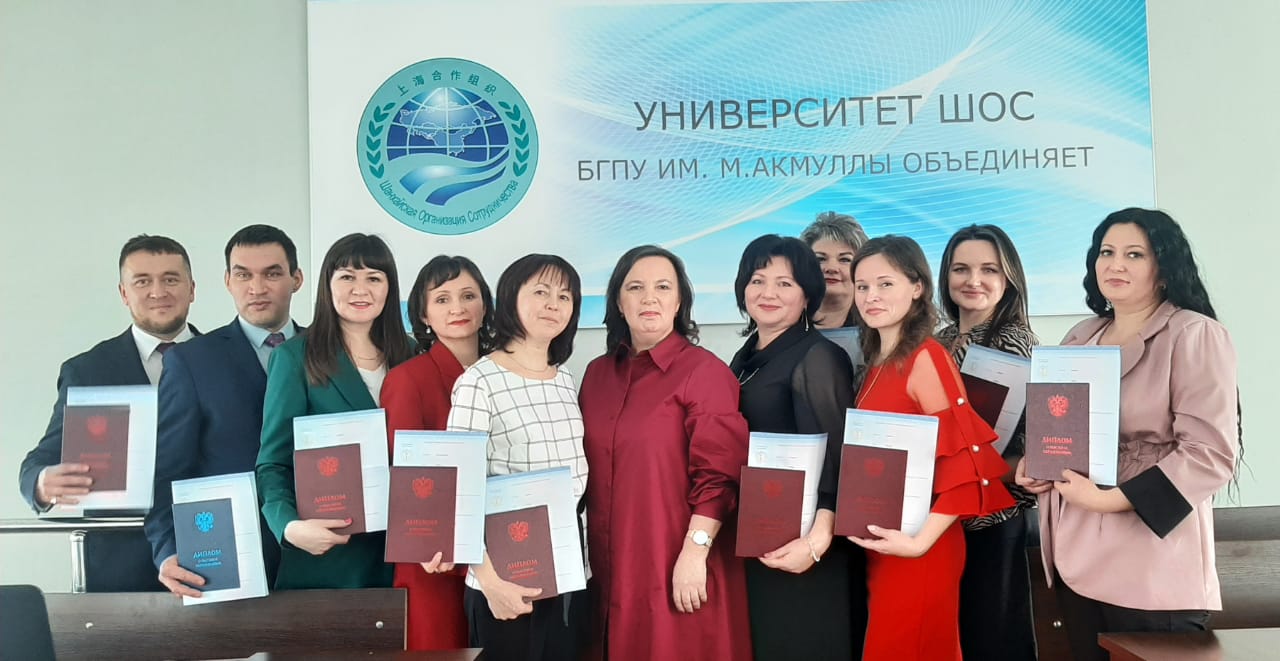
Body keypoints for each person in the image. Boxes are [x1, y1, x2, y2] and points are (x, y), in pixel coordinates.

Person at [1015, 208, 1239, 661]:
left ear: (1164, 267)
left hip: (1153, 559)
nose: (1115, 264)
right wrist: (1036, 464)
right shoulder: (1082, 336)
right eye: (1107, 252)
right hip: (1077, 553)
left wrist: (1108, 500)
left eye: (1134, 254)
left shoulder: (1194, 334)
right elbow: (1060, 427)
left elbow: (1209, 454)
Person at [580, 245, 751, 660]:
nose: (649, 298)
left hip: (678, 561)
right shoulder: (597, 374)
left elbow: (720, 476)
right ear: (618, 302)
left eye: (662, 287)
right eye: (635, 288)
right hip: (609, 567)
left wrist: (694, 552)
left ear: (679, 302)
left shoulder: (704, 372)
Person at [847, 235, 1013, 661]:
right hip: (887, 544)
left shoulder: (926, 357)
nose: (871, 296)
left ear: (917, 287)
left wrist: (921, 542)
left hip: (921, 549)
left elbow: (967, 462)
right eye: (862, 286)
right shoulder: (876, 362)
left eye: (885, 284)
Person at [18, 234, 198, 592]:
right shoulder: (88, 370)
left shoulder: (224, 360)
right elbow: (42, 459)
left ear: (192, 289)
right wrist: (41, 483)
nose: (158, 292)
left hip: (208, 548)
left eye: (170, 279)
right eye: (142, 281)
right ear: (123, 293)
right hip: (119, 564)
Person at [145, 225, 303, 597]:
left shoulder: (328, 353)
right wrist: (167, 551)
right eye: (243, 275)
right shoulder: (192, 361)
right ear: (227, 281)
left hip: (326, 556)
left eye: (272, 274)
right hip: (228, 562)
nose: (257, 288)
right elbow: (166, 470)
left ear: (296, 279)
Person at [727, 234, 865, 661]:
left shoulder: (818, 356)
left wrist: (816, 542)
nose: (767, 292)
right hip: (759, 533)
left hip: (805, 546)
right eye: (758, 280)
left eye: (784, 283)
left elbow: (839, 456)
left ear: (807, 294)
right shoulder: (745, 356)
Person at [446, 254, 589, 661]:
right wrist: (491, 583)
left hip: (567, 574)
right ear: (511, 298)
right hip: (505, 579)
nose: (553, 304)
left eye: (565, 296)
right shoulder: (479, 381)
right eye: (541, 292)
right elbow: (456, 492)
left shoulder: (565, 378)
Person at [256, 233, 412, 589]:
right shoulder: (295, 357)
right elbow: (272, 463)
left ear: (390, 288)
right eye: (347, 277)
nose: (361, 289)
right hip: (329, 558)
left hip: (405, 556)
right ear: (327, 284)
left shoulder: (411, 354)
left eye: (374, 278)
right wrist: (289, 526)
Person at [935, 224, 1039, 660]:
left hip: (994, 523)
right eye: (960, 269)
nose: (973, 280)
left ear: (1008, 277)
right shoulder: (934, 343)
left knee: (993, 644)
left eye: (988, 270)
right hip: (939, 523)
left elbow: (1039, 448)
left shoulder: (1020, 346)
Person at [380, 255, 494, 650]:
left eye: (468, 296)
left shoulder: (508, 374)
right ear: (423, 315)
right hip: (435, 561)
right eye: (442, 299)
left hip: (501, 556)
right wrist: (442, 548)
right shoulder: (407, 380)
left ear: (485, 306)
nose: (457, 308)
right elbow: (406, 481)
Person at [800, 211, 869, 329]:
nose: (831, 268)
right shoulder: (781, 323)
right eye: (820, 259)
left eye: (845, 259)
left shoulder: (878, 328)